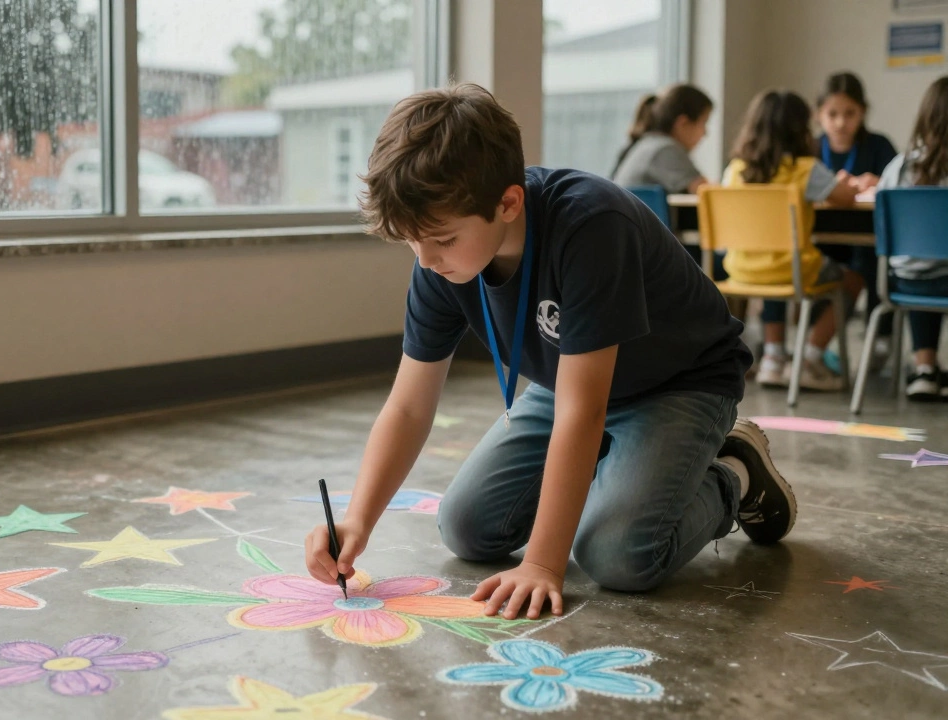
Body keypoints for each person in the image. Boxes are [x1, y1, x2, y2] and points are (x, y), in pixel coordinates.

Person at [303, 84, 793, 622]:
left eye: (441, 239)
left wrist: (541, 563)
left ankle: (732, 470)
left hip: (681, 383)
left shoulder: (591, 225)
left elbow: (582, 414)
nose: (425, 260)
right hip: (570, 384)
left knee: (615, 555)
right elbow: (408, 406)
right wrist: (358, 521)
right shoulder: (440, 261)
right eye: (411, 241)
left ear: (508, 203)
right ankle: (620, 469)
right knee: (466, 526)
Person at [722, 90, 863, 391]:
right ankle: (810, 357)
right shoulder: (805, 170)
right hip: (791, 268)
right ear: (801, 129)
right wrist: (847, 183)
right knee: (854, 279)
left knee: (775, 263)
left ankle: (773, 358)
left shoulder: (735, 170)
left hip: (740, 269)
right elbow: (847, 198)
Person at [815, 72, 900, 369]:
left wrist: (877, 181)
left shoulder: (879, 146)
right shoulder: (811, 150)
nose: (841, 122)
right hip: (822, 240)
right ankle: (804, 348)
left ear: (862, 112)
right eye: (833, 114)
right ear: (819, 115)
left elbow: (897, 186)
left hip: (868, 238)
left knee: (872, 261)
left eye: (849, 113)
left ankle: (880, 339)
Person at [875, 76, 948, 401]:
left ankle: (924, 370)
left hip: (901, 282)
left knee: (923, 267)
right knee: (936, 268)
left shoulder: (898, 166)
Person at [612, 84, 714, 194]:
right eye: (703, 123)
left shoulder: (648, 144)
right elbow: (706, 192)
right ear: (683, 123)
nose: (705, 133)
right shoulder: (666, 149)